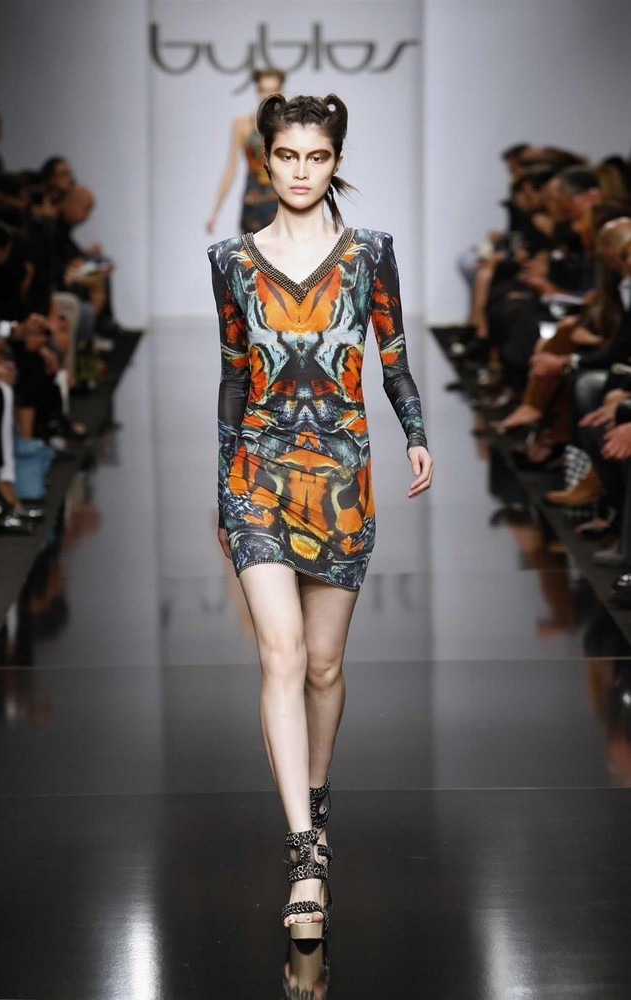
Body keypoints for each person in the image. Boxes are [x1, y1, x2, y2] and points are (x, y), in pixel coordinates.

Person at [207, 93, 433, 940]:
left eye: (317, 156)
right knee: (281, 654)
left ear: (335, 161)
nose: (300, 171)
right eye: (286, 155)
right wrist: (222, 482)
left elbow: (393, 358)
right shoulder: (230, 260)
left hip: (342, 474)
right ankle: (304, 855)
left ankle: (316, 795)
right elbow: (233, 373)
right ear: (265, 159)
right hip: (257, 474)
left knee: (325, 667)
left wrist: (416, 435)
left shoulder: (370, 253)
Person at [205, 67, 286, 235]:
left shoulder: (289, 126)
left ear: (280, 92)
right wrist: (215, 212)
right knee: (250, 252)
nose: (267, 96)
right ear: (257, 91)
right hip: (252, 204)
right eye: (263, 90)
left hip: (282, 206)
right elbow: (231, 168)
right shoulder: (242, 124)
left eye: (272, 90)